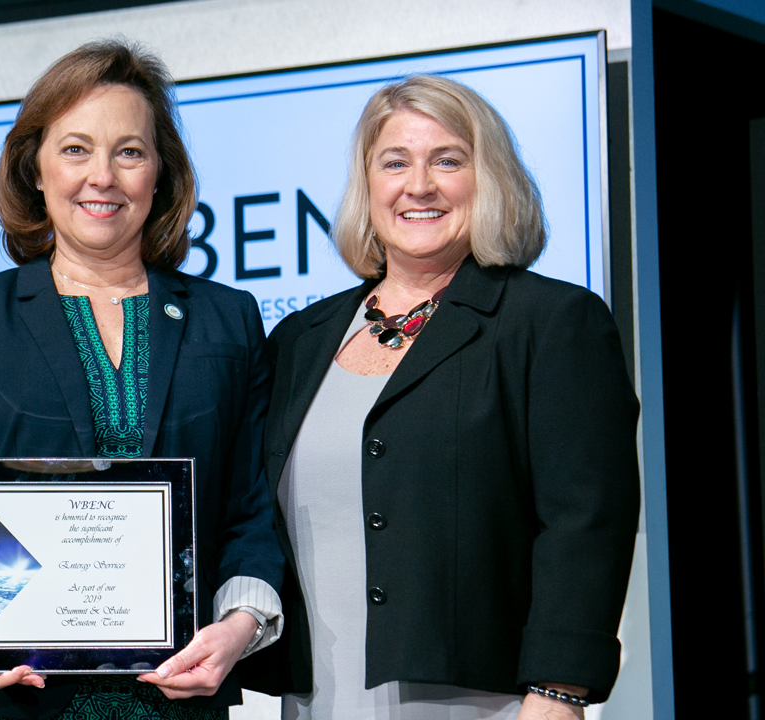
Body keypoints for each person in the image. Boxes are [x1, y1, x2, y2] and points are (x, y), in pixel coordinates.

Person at [0, 39, 285, 720]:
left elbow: (250, 515)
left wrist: (238, 630)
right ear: (34, 167)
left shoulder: (228, 320)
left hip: (174, 705)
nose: (103, 176)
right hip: (5, 705)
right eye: (74, 149)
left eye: (129, 151)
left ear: (161, 172)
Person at [240, 75, 640, 720]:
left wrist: (559, 690)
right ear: (367, 184)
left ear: (489, 178)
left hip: (486, 704)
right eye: (394, 162)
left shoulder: (551, 320)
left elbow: (586, 519)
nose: (418, 185)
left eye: (447, 161)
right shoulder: (298, 340)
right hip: (315, 703)